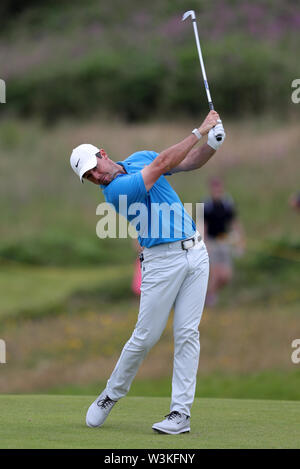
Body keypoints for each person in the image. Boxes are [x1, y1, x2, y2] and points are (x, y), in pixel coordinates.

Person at [70, 110, 225, 434]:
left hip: (196, 254)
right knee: (145, 337)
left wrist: (213, 142)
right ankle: (110, 395)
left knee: (187, 335)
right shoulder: (115, 192)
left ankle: (180, 415)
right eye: (89, 178)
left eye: (93, 169)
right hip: (160, 261)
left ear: (103, 154)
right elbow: (162, 165)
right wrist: (199, 130)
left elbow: (188, 162)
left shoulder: (139, 157)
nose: (95, 177)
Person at [203, 178, 245, 306]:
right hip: (211, 242)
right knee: (216, 273)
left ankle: (209, 294)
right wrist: (203, 243)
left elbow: (234, 222)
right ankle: (210, 300)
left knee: (226, 276)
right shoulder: (206, 204)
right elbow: (202, 225)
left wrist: (240, 241)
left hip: (224, 241)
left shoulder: (227, 203)